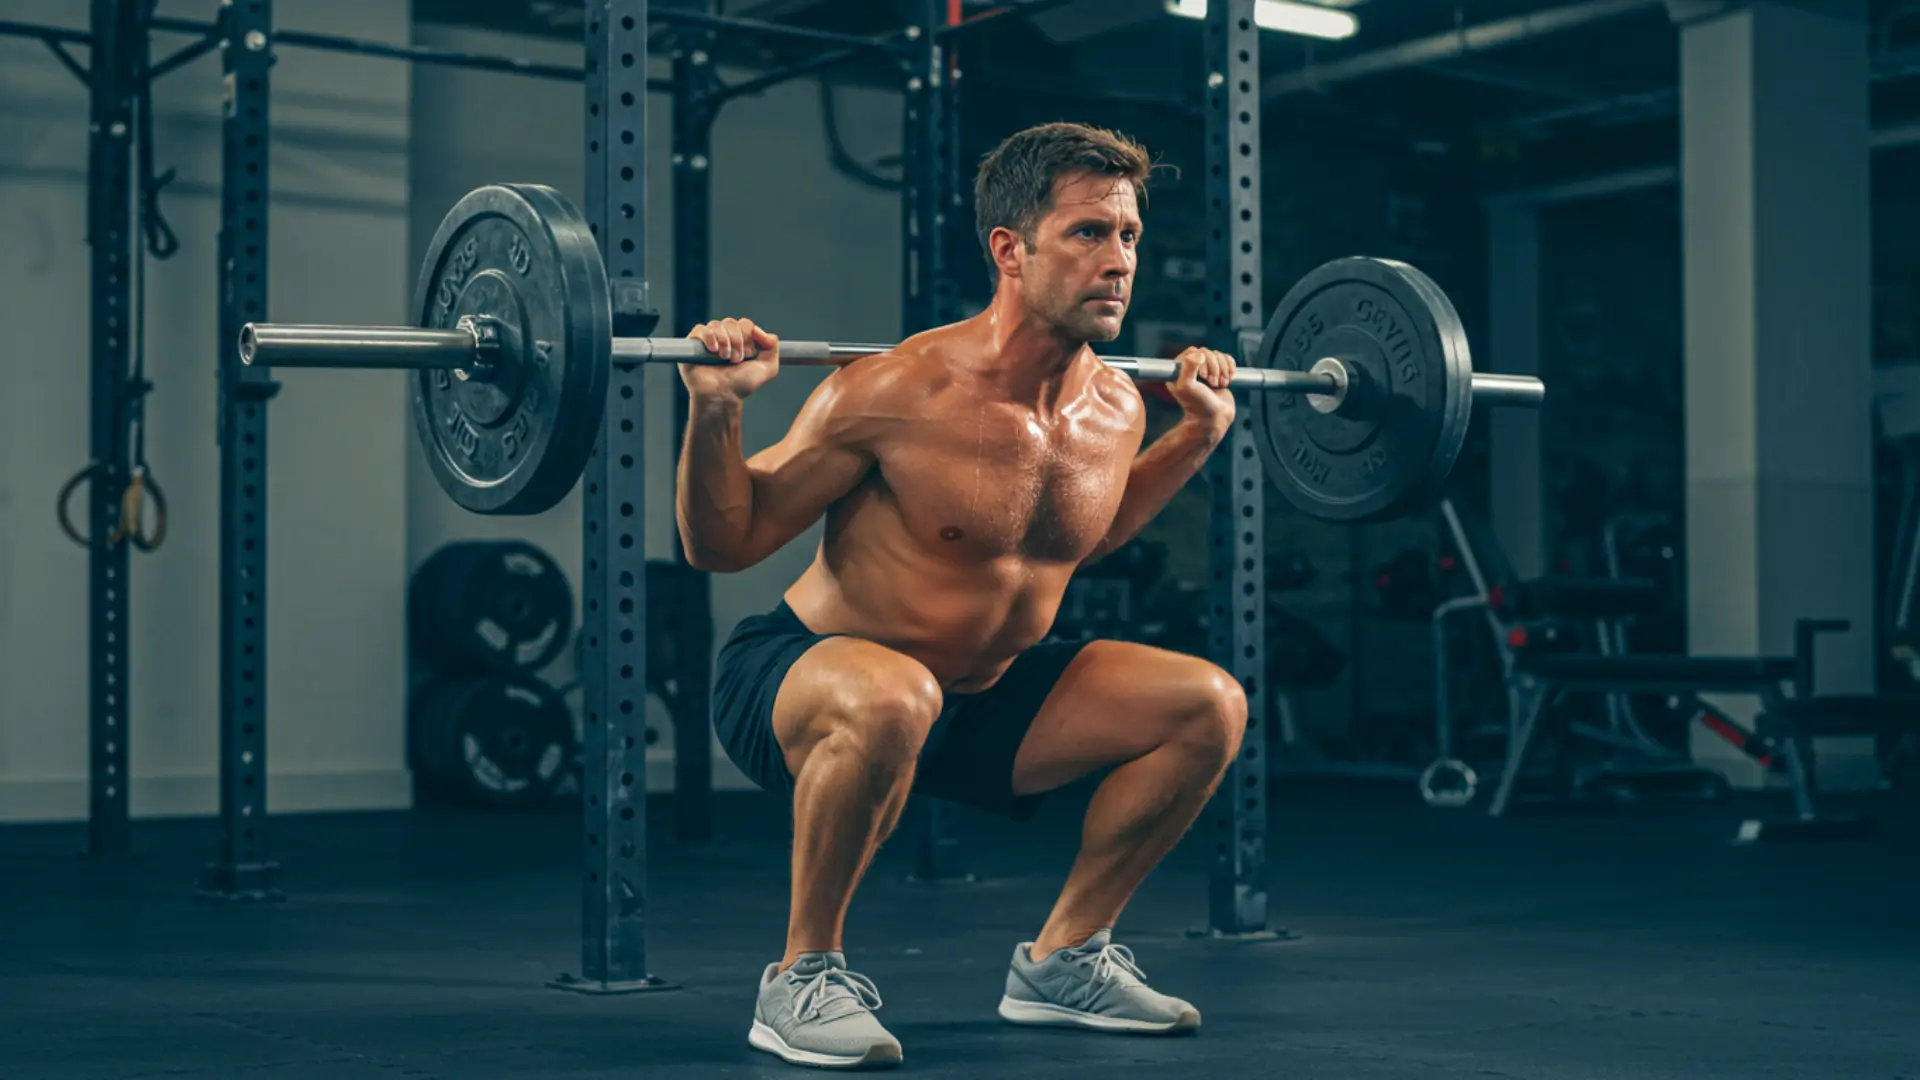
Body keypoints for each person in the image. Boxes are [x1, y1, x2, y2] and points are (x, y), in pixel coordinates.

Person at [677, 121, 1247, 1070]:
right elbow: (720, 543)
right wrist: (717, 408)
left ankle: (1065, 961)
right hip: (809, 684)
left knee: (1206, 705)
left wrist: (1193, 439)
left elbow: (1080, 537)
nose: (1119, 261)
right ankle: (801, 979)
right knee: (897, 691)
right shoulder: (894, 390)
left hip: (980, 700)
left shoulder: (1116, 407)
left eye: (1130, 237)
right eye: (1088, 233)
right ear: (1009, 250)